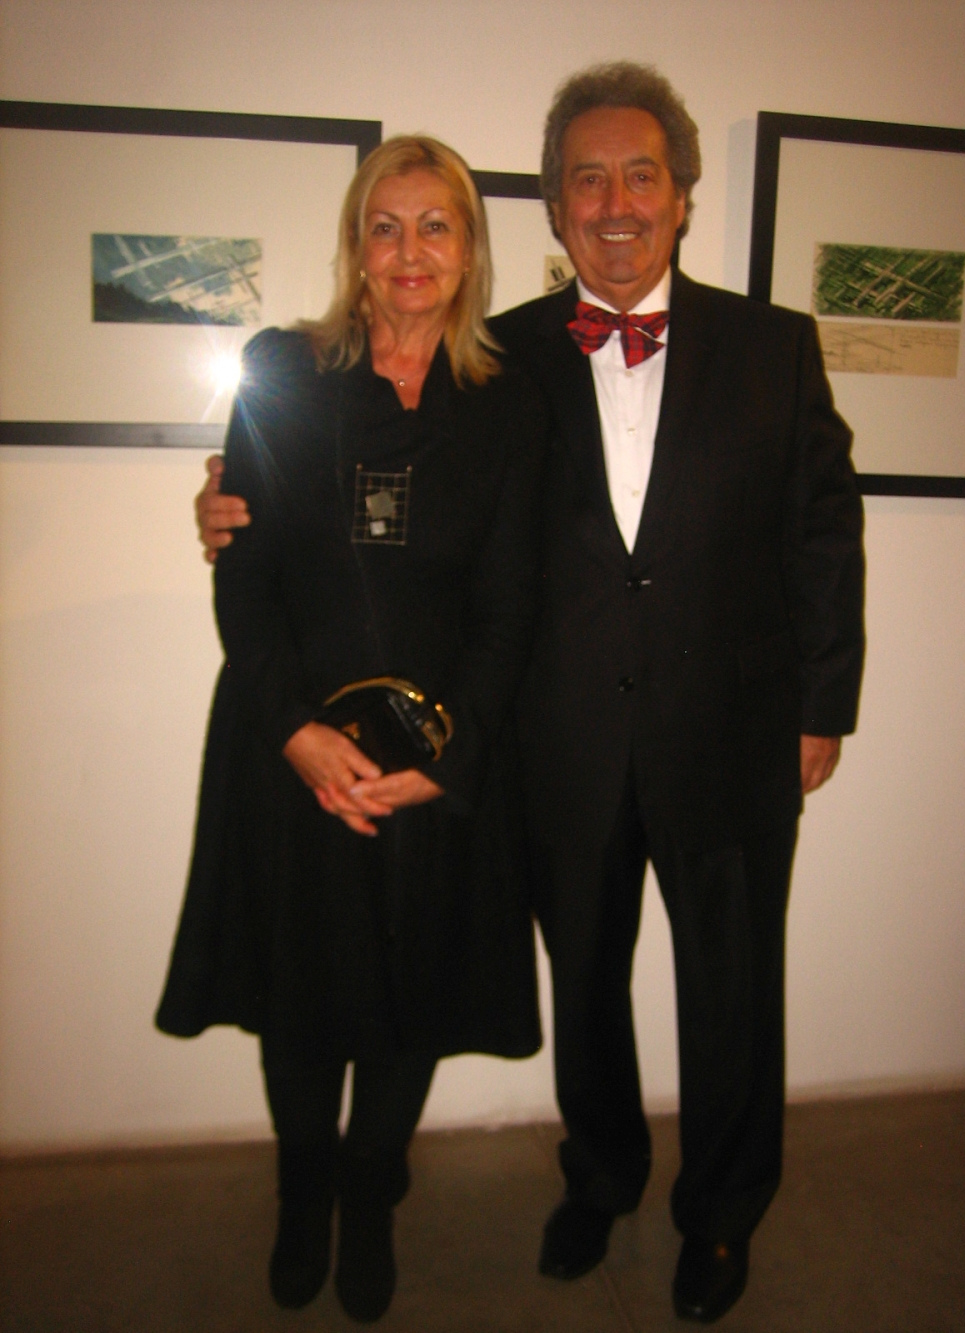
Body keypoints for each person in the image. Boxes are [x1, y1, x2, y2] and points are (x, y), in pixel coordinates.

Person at [194, 62, 865, 1325]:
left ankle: (722, 1216)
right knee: (588, 990)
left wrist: (821, 705)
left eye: (639, 175)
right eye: (585, 180)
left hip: (729, 735)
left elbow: (823, 530)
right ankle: (599, 1179)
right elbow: (354, 488)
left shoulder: (774, 347)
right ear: (554, 208)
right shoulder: (501, 359)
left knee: (733, 994)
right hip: (560, 741)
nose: (615, 203)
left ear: (681, 193)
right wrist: (227, 505)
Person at [157, 135, 543, 1324]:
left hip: (435, 758)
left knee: (407, 993)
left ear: (468, 249)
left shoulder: (509, 402)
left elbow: (512, 605)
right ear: (356, 246)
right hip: (289, 752)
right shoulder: (284, 372)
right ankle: (302, 1195)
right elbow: (244, 574)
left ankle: (369, 1193)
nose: (409, 250)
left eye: (435, 225)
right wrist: (294, 733)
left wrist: (445, 760)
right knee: (301, 993)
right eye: (386, 225)